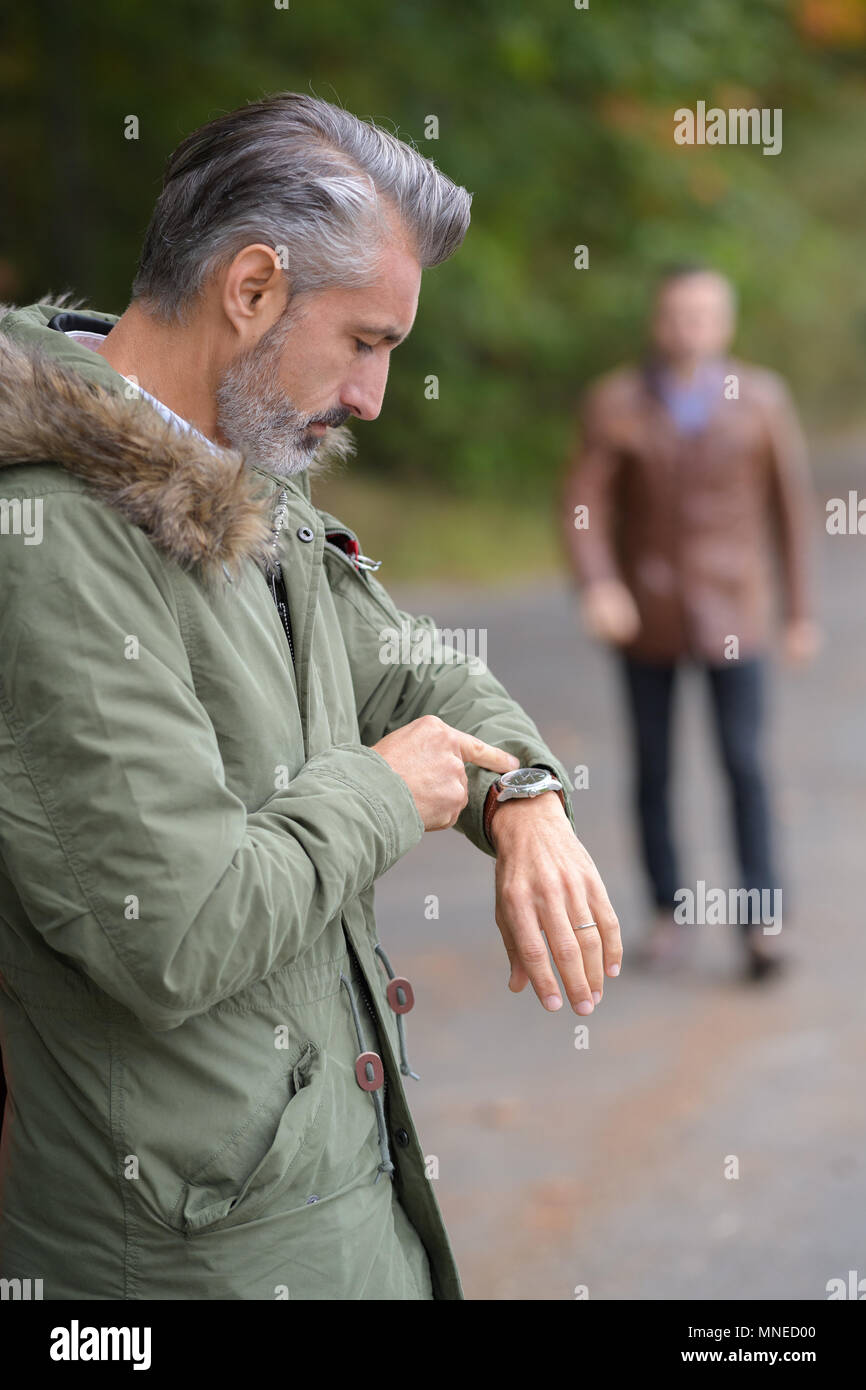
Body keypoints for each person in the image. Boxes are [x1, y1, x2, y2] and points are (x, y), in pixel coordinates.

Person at [0, 93, 622, 1301]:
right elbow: (173, 932)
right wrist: (389, 789)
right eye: (366, 341)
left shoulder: (232, 470)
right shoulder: (55, 545)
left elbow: (420, 667)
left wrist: (526, 799)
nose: (374, 397)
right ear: (251, 289)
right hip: (178, 1267)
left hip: (317, 1221)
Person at [561, 264, 817, 983]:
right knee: (654, 765)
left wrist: (798, 612)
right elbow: (583, 504)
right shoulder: (617, 402)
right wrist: (600, 582)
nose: (690, 329)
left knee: (745, 763)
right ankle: (669, 909)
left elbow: (789, 512)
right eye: (678, 314)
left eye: (705, 315)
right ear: (657, 319)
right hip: (649, 613)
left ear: (726, 322)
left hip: (738, 610)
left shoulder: (761, 399)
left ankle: (763, 921)